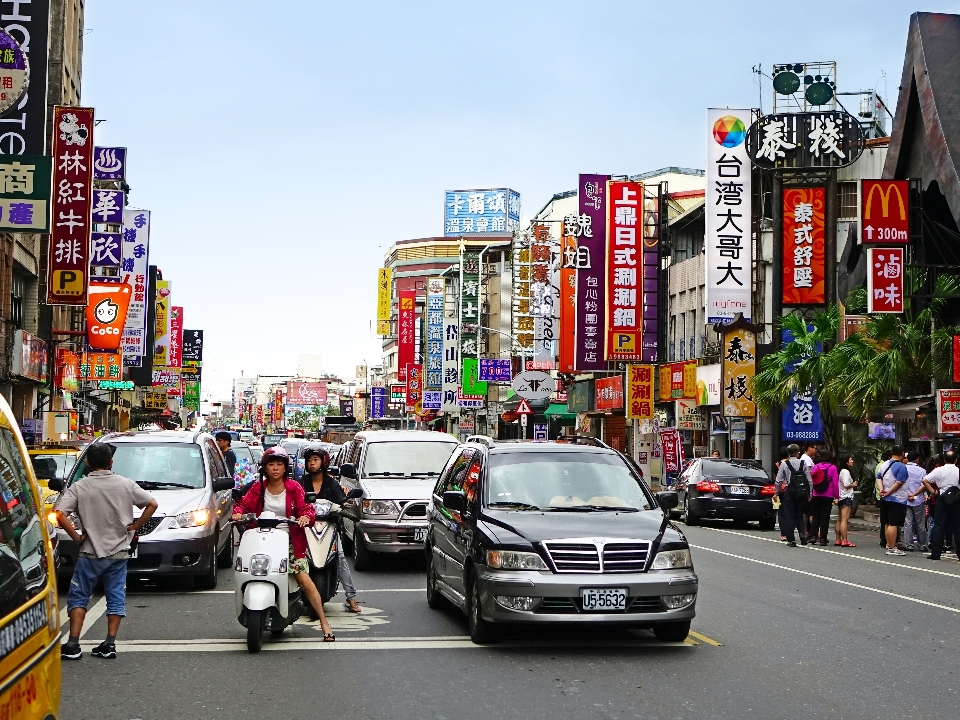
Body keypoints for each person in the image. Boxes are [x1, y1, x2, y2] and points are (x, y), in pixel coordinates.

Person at [56, 443, 159, 660]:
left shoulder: (79, 487)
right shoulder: (125, 484)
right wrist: (136, 526)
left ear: (87, 463)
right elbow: (152, 504)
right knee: (115, 595)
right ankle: (110, 643)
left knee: (79, 596)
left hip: (90, 552)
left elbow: (59, 514)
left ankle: (73, 644)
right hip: (119, 552)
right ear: (111, 462)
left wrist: (76, 537)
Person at [231, 446, 336, 640]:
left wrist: (305, 516)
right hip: (260, 539)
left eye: (279, 464)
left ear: (285, 467)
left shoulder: (294, 487)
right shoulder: (258, 487)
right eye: (271, 464)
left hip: (288, 541)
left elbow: (306, 509)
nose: (275, 468)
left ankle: (323, 621)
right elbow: (243, 504)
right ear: (265, 467)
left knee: (304, 579)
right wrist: (237, 511)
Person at [299, 446, 361, 613]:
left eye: (315, 460)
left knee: (340, 558)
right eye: (309, 460)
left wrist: (347, 505)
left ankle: (351, 598)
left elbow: (342, 499)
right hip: (305, 526)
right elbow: (293, 500)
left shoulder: (332, 483)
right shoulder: (301, 482)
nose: (312, 463)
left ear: (324, 462)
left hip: (329, 526)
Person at [922, 450, 960, 561]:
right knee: (957, 527)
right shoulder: (958, 470)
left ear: (944, 460)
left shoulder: (939, 470)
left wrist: (934, 492)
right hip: (957, 499)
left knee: (939, 526)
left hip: (942, 499)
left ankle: (936, 553)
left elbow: (925, 480)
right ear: (956, 460)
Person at [775, 444, 811, 547]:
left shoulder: (785, 464)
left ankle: (791, 539)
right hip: (802, 492)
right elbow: (809, 479)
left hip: (789, 492)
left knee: (789, 514)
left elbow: (778, 480)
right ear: (797, 453)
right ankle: (802, 535)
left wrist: (776, 493)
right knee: (799, 514)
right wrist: (810, 493)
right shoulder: (803, 463)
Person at [878, 446, 909, 556]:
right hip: (897, 499)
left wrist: (882, 490)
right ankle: (892, 547)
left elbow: (878, 477)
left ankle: (889, 544)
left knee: (887, 523)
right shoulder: (901, 467)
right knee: (894, 523)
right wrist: (889, 492)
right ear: (902, 453)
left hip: (884, 498)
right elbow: (899, 482)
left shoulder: (884, 465)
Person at [808, 448, 839, 545]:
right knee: (825, 518)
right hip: (828, 495)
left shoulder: (816, 466)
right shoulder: (832, 468)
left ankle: (813, 536)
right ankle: (822, 538)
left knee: (816, 516)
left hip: (816, 494)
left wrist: (811, 492)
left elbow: (812, 480)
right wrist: (836, 496)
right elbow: (835, 483)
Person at [903, 451, 928, 552]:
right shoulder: (922, 470)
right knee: (920, 523)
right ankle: (922, 545)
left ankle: (909, 545)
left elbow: (899, 483)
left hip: (905, 499)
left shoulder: (903, 469)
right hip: (918, 500)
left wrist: (907, 494)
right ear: (917, 459)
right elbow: (924, 484)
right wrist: (915, 494)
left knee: (908, 523)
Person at [835, 455, 857, 547]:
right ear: (846, 462)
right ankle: (844, 540)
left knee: (840, 519)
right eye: (850, 459)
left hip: (841, 496)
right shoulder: (846, 471)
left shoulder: (841, 471)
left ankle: (838, 539)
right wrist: (853, 484)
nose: (852, 461)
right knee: (844, 519)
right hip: (846, 496)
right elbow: (846, 484)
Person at [875, 449, 893, 547]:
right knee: (888, 520)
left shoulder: (880, 465)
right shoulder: (885, 466)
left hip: (881, 494)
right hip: (885, 494)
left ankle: (884, 539)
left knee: (884, 520)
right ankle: (886, 540)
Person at [800, 443, 818, 541]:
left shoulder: (806, 458)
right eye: (815, 448)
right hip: (808, 488)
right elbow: (809, 475)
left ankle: (807, 532)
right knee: (809, 512)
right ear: (809, 448)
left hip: (807, 488)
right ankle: (810, 533)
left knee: (806, 512)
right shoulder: (806, 459)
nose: (816, 450)